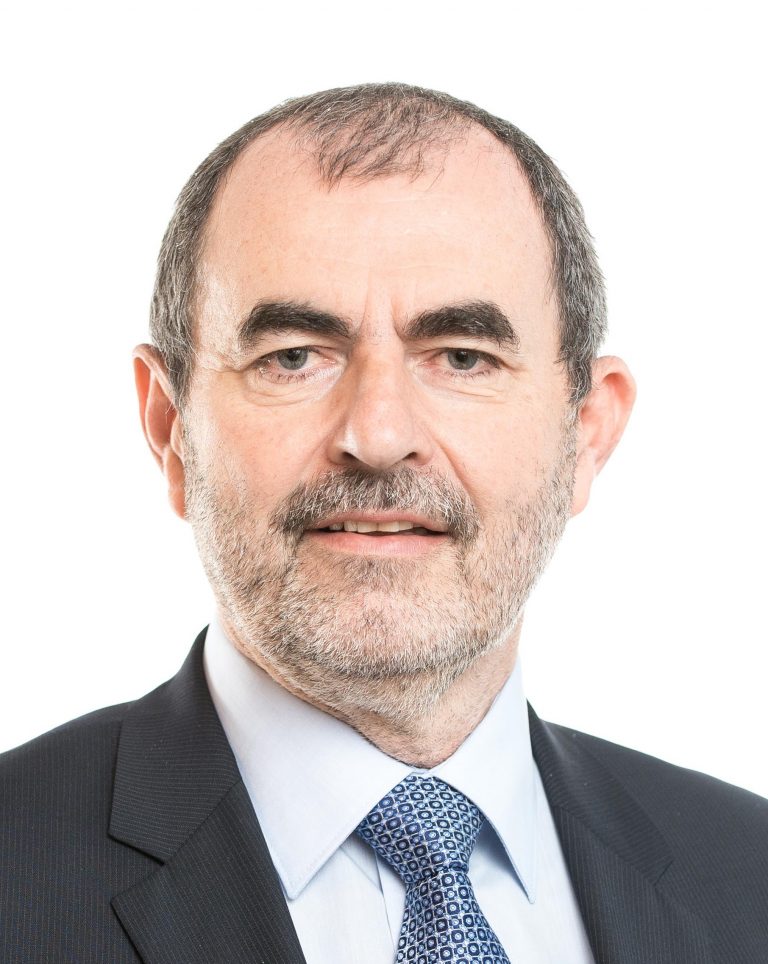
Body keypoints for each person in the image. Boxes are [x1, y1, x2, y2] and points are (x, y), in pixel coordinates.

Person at [1, 83, 766, 964]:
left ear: (587, 433)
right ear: (170, 427)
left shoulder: (749, 876)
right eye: (293, 357)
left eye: (463, 357)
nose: (377, 435)